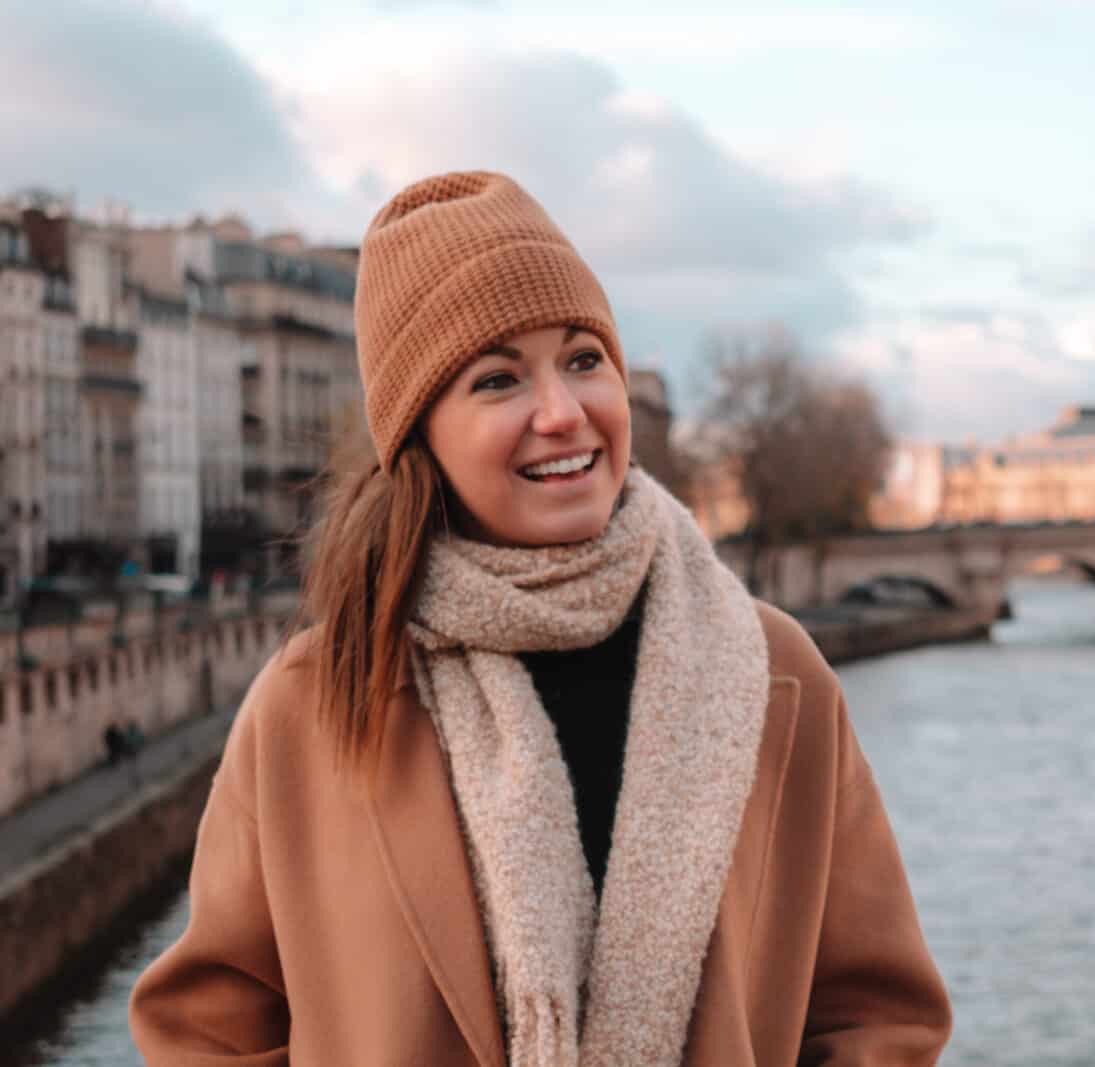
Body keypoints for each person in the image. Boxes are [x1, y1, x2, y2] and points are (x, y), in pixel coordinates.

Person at [129, 171, 950, 1065]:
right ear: (420, 436)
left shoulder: (773, 672)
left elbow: (880, 1015)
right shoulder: (318, 700)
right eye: (498, 380)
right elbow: (204, 1030)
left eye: (584, 359)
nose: (563, 413)